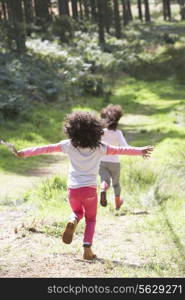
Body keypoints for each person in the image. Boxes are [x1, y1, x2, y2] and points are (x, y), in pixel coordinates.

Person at [13, 111, 154, 260]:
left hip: (73, 189)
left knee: (77, 212)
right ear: (96, 130)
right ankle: (87, 251)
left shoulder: (68, 145)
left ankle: (73, 220)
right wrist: (140, 151)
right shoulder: (101, 147)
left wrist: (24, 153)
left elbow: (46, 148)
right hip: (90, 190)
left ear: (72, 129)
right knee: (91, 219)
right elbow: (121, 150)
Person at [99, 104, 129, 210]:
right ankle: (117, 203)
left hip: (101, 161)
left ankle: (103, 188)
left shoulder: (101, 132)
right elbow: (125, 147)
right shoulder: (118, 133)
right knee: (116, 183)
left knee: (104, 179)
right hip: (115, 162)